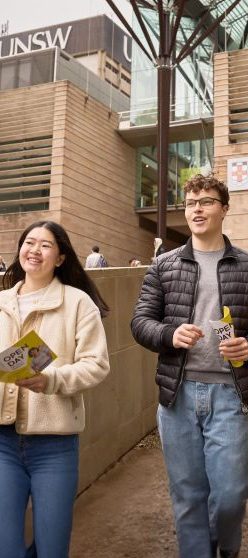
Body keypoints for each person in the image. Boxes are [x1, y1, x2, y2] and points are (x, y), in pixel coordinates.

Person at [131, 174, 248, 558]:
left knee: (230, 494)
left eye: (207, 201)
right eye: (191, 203)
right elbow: (141, 321)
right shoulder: (164, 266)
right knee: (188, 495)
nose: (197, 209)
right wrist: (169, 335)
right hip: (177, 395)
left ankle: (225, 549)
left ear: (224, 209)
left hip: (230, 393)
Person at [0, 220, 110, 558]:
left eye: (45, 245)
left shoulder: (77, 303)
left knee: (51, 549)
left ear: (60, 258)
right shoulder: (1, 301)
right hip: (2, 443)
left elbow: (97, 365)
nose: (35, 250)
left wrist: (52, 380)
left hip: (55, 446)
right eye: (29, 242)